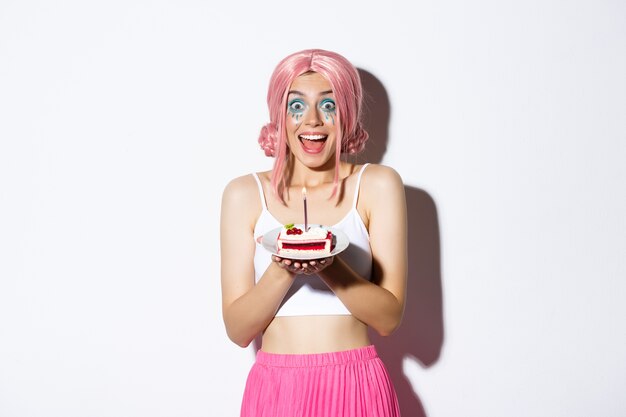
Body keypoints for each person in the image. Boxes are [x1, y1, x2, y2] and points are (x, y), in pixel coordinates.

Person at [220, 49, 408, 417]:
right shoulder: (243, 194)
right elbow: (238, 330)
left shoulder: (377, 185)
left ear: (347, 114)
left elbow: (388, 319)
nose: (312, 121)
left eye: (329, 105)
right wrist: (285, 265)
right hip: (276, 392)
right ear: (278, 115)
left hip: (356, 385)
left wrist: (328, 262)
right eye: (296, 106)